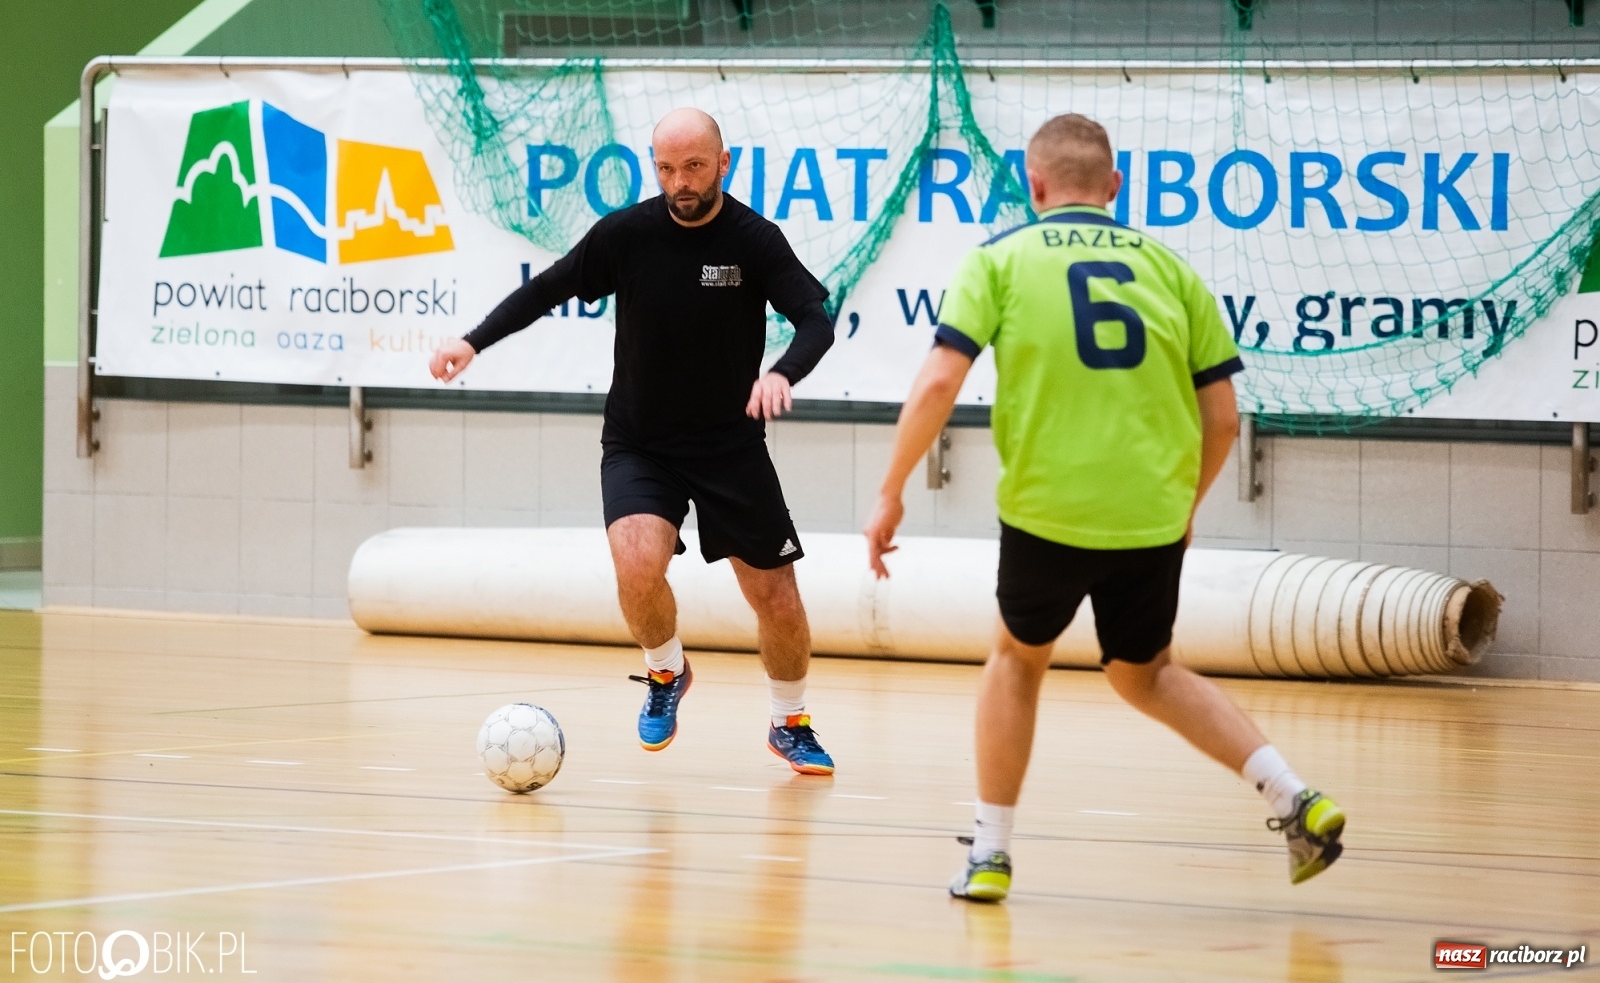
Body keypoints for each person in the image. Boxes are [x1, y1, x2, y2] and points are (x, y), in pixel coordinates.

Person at [863, 113, 1346, 900]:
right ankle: (1293, 794)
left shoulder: (1000, 260)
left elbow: (939, 382)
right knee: (1145, 669)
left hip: (1046, 506)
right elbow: (1223, 419)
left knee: (1018, 659)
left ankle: (990, 853)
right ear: (1116, 188)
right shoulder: (1171, 270)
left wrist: (890, 490)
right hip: (1149, 512)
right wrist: (1183, 506)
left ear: (1036, 186)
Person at [430, 108, 838, 775]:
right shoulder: (628, 234)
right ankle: (665, 672)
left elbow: (815, 322)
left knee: (778, 601)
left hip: (731, 447)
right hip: (640, 441)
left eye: (695, 167)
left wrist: (781, 372)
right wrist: (472, 340)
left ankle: (789, 720)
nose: (680, 182)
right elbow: (549, 288)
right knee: (636, 564)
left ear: (724, 164)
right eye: (666, 167)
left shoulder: (754, 240)